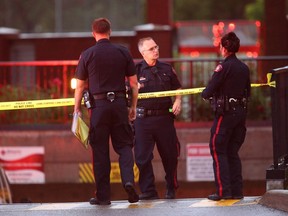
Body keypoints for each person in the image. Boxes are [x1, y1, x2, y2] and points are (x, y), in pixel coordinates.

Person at [73, 17, 139, 205]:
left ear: (93, 33)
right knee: (125, 146)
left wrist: (77, 108)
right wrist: (132, 106)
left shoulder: (87, 54)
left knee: (100, 151)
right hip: (119, 105)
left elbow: (80, 86)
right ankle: (128, 181)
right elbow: (134, 84)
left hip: (98, 108)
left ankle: (103, 196)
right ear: (110, 32)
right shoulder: (123, 52)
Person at [201, 32, 251, 201]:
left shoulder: (223, 67)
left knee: (217, 149)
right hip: (240, 115)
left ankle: (223, 191)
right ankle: (237, 191)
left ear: (224, 47)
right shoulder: (244, 68)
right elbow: (248, 92)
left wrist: (205, 94)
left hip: (226, 114)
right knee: (232, 152)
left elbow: (208, 91)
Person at [134, 37, 182, 200]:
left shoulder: (167, 68)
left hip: (164, 118)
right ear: (142, 53)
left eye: (156, 46)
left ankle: (171, 187)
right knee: (142, 157)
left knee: (170, 155)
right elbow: (126, 92)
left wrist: (178, 100)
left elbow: (177, 87)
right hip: (143, 119)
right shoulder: (136, 71)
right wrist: (134, 89)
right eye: (151, 49)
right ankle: (148, 190)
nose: (156, 50)